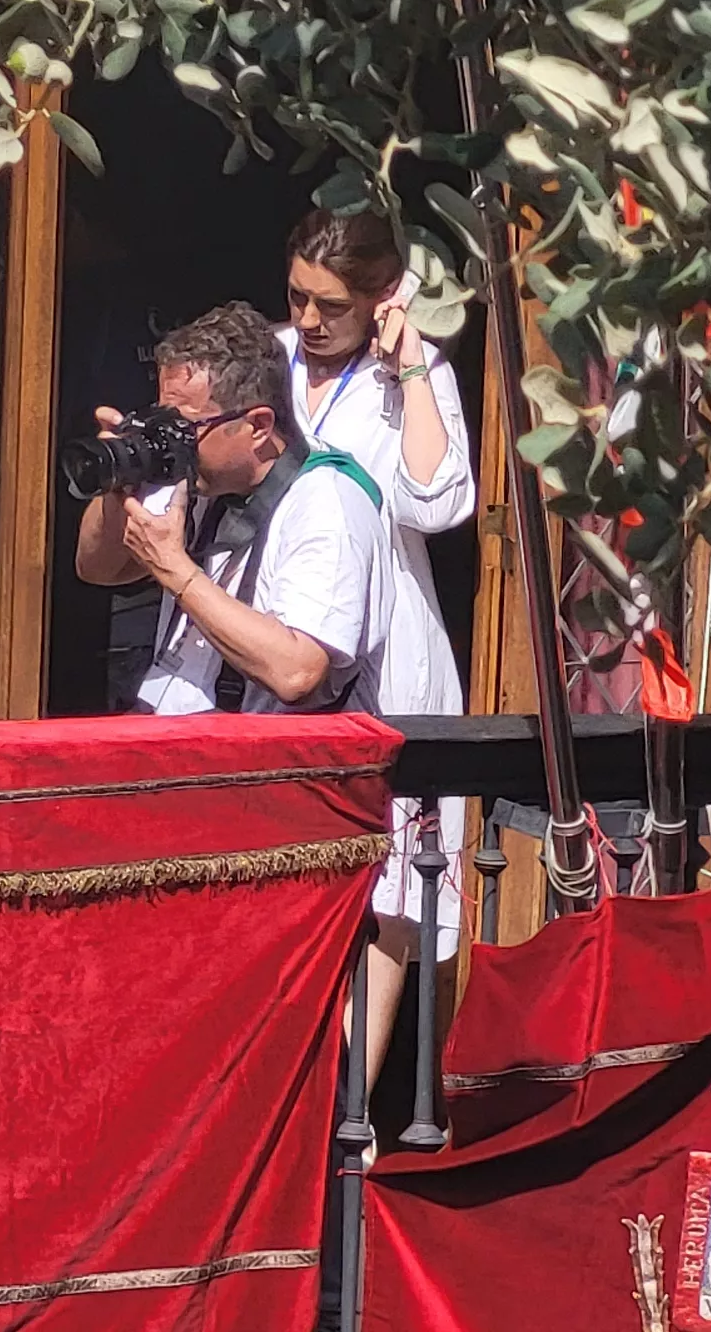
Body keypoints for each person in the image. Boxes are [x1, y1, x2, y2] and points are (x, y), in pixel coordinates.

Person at [278, 206, 478, 1081]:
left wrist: (410, 371)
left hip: (391, 648)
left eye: (333, 307)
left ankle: (344, 1121)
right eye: (299, 299)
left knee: (389, 888)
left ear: (384, 300)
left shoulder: (413, 373)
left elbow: (436, 503)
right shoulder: (271, 360)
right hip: (285, 628)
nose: (312, 322)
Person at [71, 302, 389, 716]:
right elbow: (98, 568)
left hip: (264, 762)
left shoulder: (328, 503)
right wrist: (121, 475)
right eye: (163, 419)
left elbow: (297, 672)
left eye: (185, 426)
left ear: (257, 426)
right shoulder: (203, 478)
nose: (174, 440)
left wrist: (175, 569)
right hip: (172, 735)